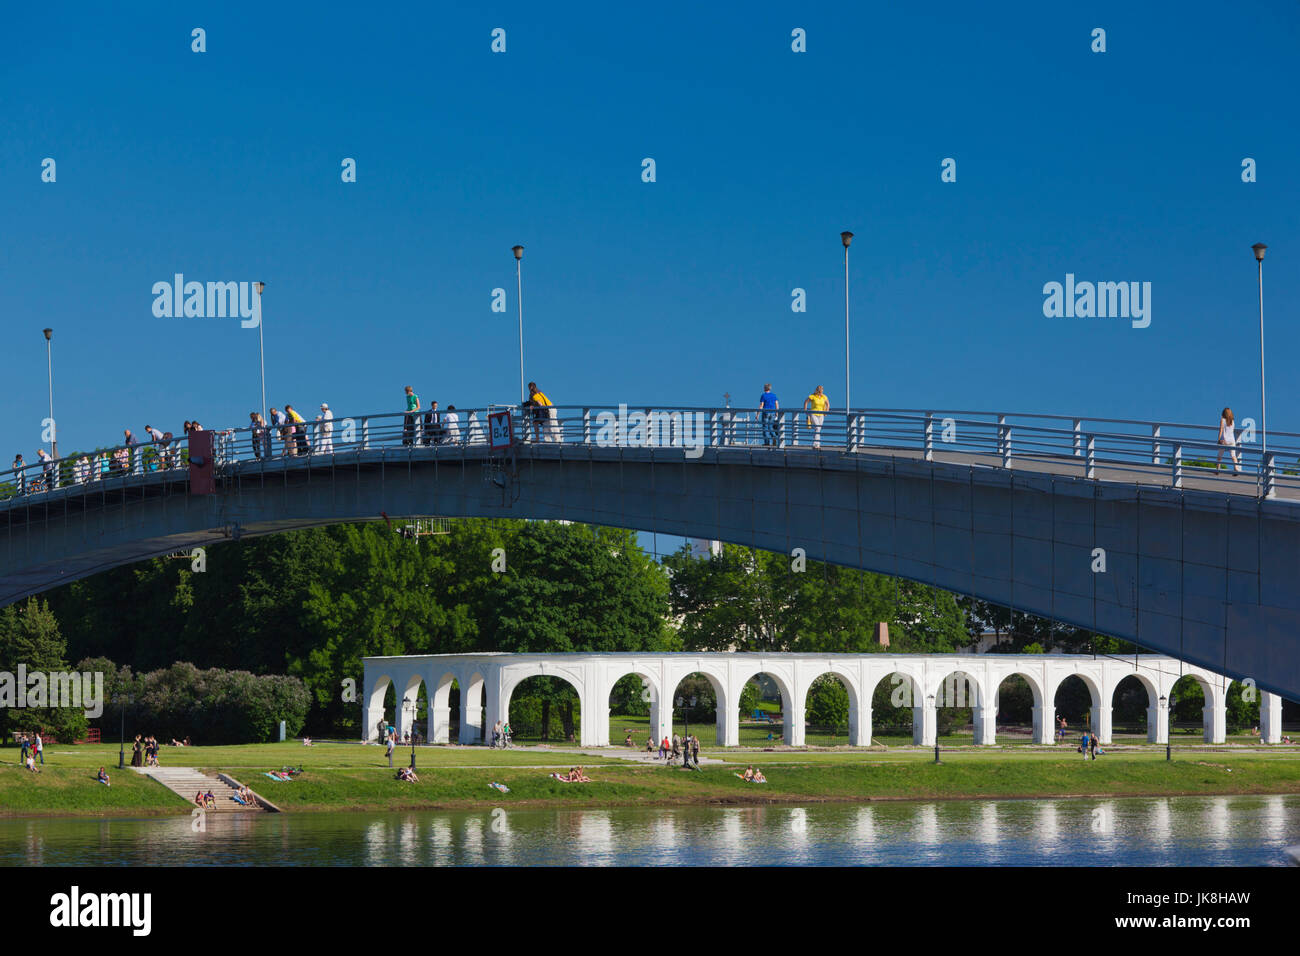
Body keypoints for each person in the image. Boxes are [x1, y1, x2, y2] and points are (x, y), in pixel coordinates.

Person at [1217, 407, 1241, 473]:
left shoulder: (1223, 420)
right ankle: (1236, 468)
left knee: (1219, 455)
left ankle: (1217, 469)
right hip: (1231, 440)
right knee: (1233, 455)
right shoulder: (1232, 421)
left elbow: (1221, 430)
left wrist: (1219, 439)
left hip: (1224, 440)